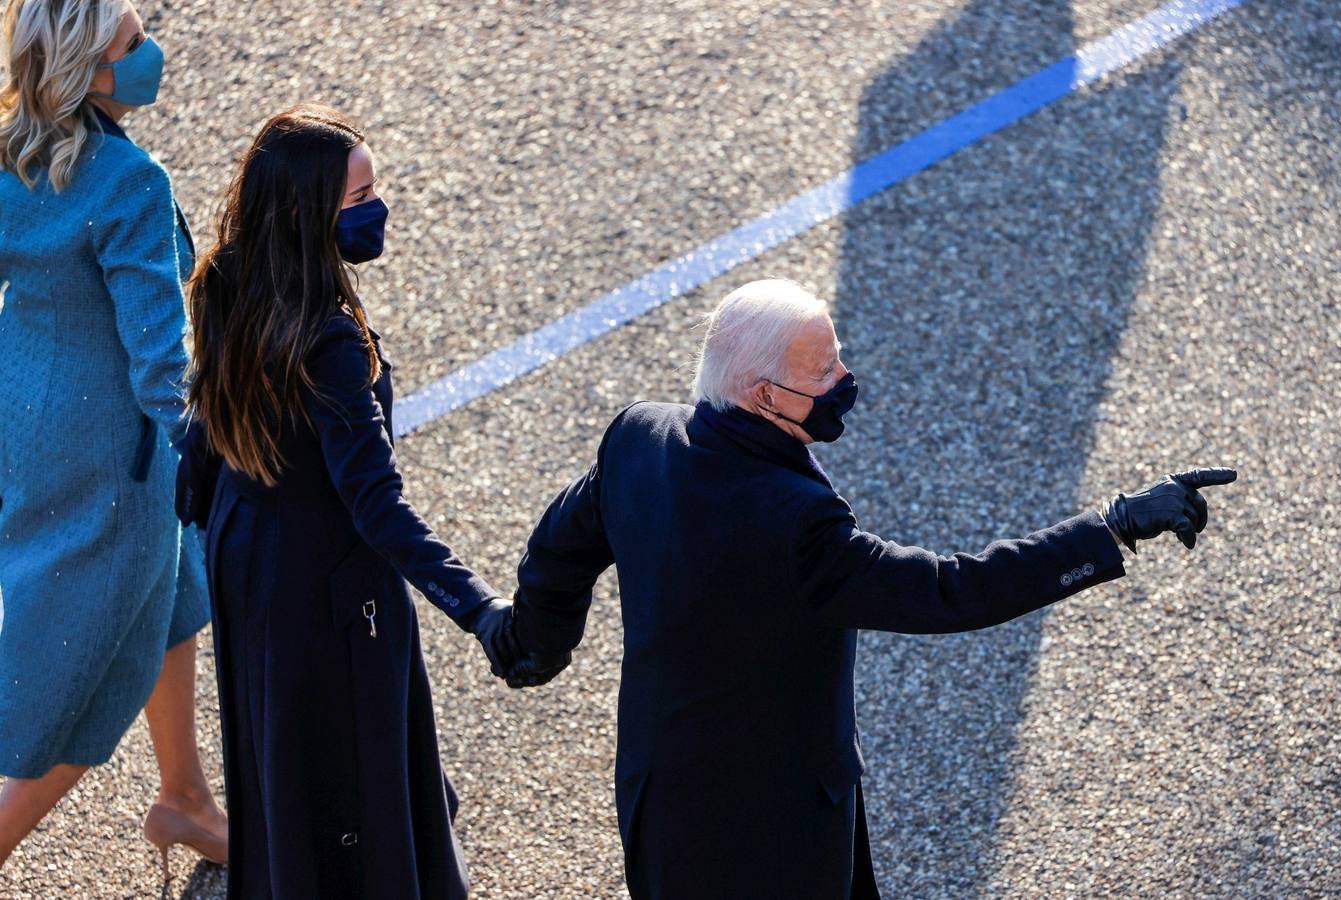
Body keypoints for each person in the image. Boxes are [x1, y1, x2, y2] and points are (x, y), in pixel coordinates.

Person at [502, 278, 1237, 899]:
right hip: (771, 841)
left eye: (837, 356)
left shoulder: (640, 437)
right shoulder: (796, 522)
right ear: (763, 395)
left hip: (662, 805)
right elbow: (952, 590)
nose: (843, 379)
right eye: (823, 373)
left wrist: (535, 642)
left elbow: (560, 543)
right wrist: (1112, 525)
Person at [177, 103, 518, 899]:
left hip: (248, 558)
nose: (378, 208)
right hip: (329, 587)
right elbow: (376, 504)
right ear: (307, 215)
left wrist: (194, 494)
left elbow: (206, 410)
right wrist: (480, 610)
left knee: (283, 763)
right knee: (357, 781)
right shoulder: (328, 340)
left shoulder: (227, 276)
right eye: (358, 198)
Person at [0, 0, 226, 874]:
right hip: (115, 463)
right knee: (84, 675)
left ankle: (186, 799)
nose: (152, 51)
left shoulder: (14, 154)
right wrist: (220, 453)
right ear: (90, 72)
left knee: (171, 599)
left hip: (29, 424)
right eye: (134, 43)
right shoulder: (131, 183)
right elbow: (161, 367)